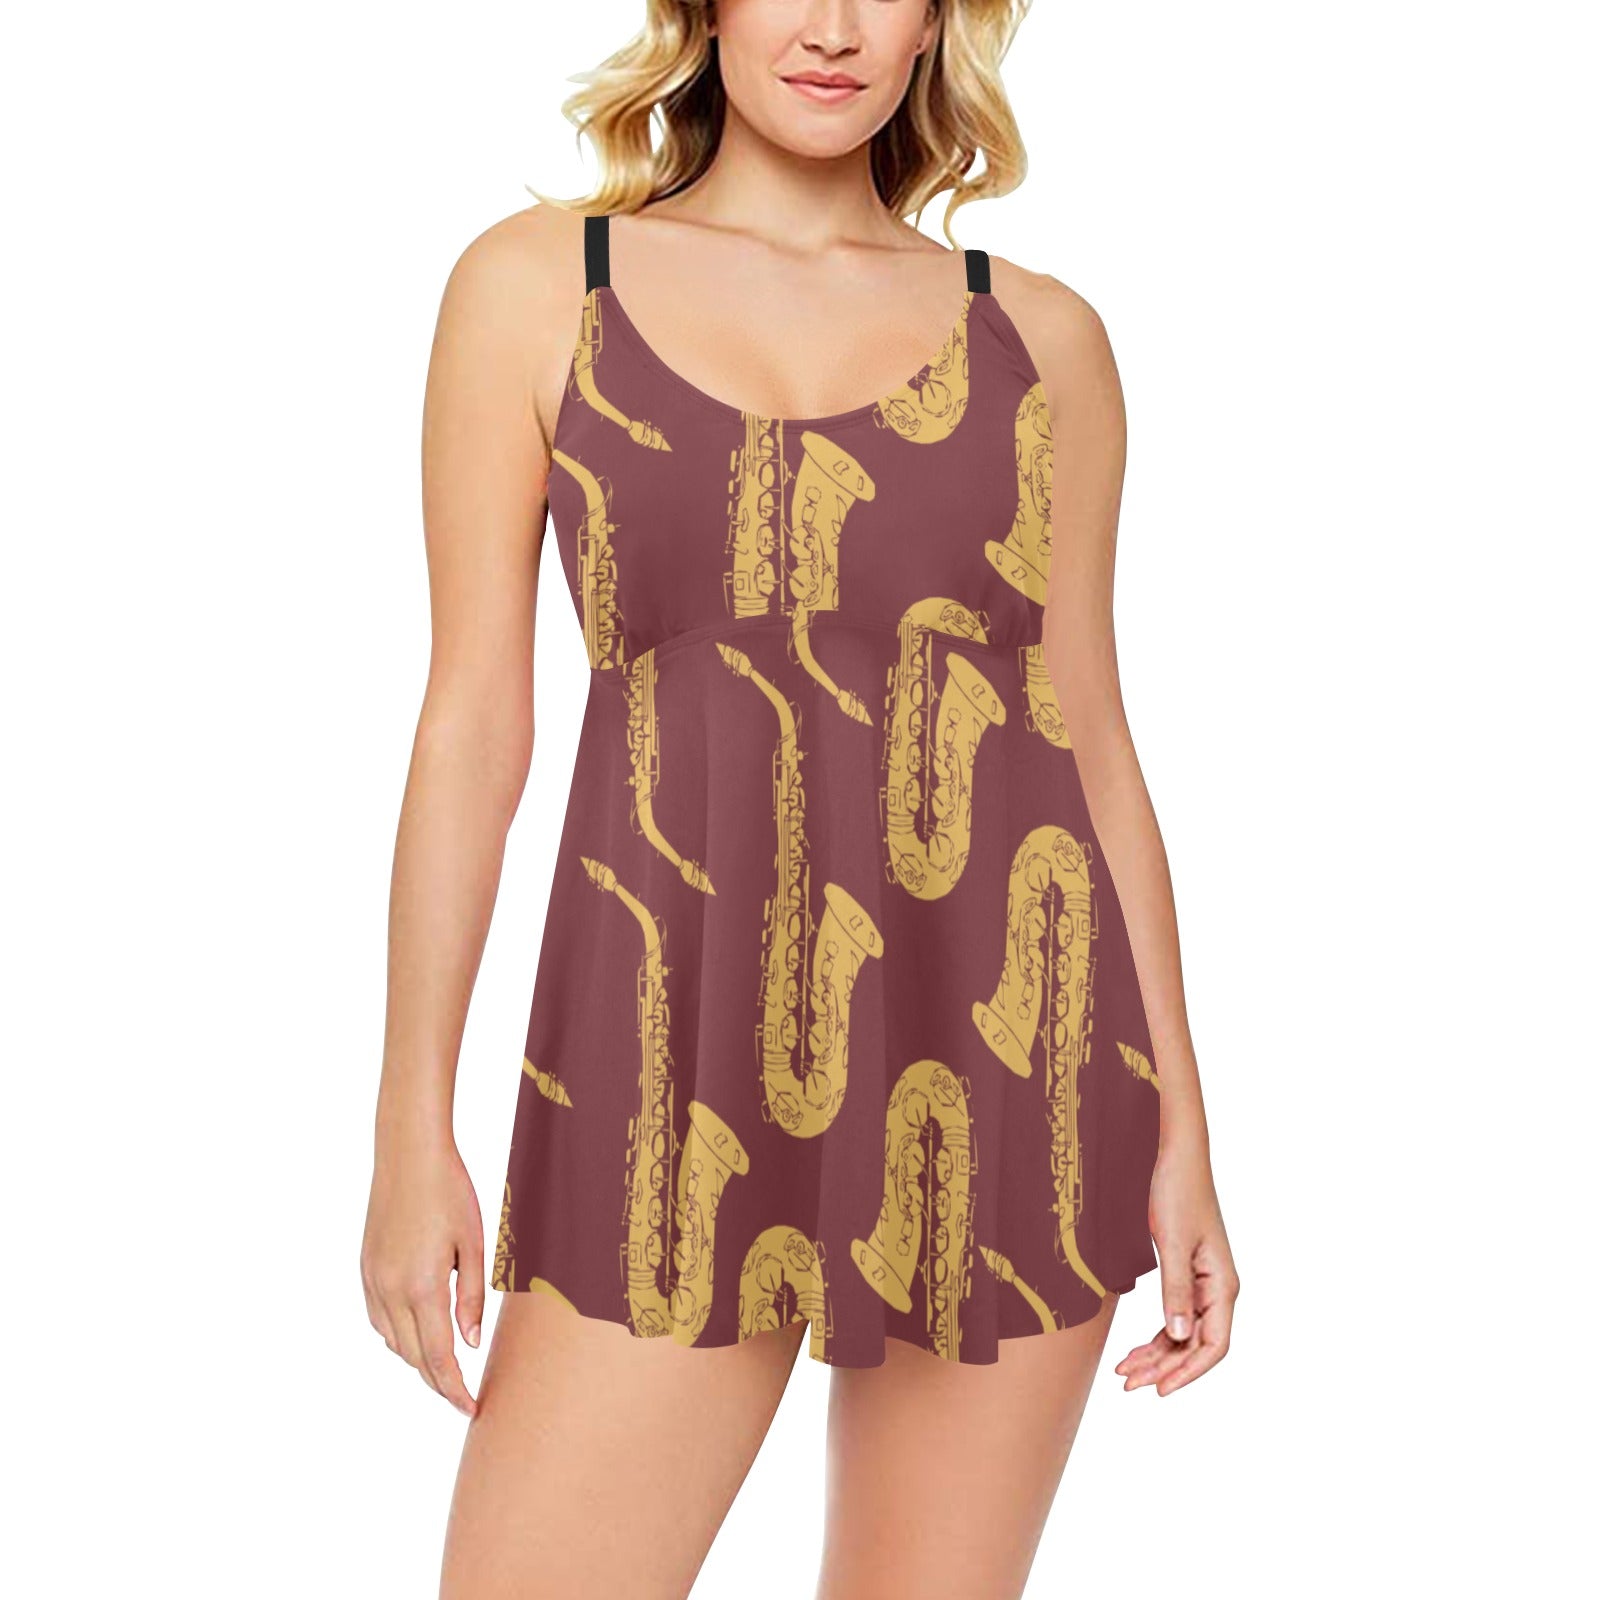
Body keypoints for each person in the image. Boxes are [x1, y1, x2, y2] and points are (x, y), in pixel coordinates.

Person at [361, 2, 1239, 1595]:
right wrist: (410, 1125)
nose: (832, 27)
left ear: (938, 22)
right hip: (662, 1068)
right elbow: (473, 725)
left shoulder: (1043, 338)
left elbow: (1094, 742)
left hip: (1007, 1075)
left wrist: (1181, 1129)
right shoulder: (540, 286)